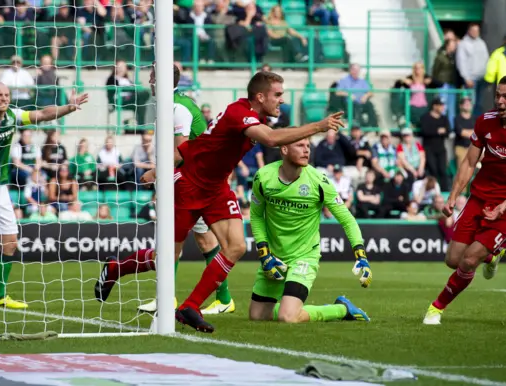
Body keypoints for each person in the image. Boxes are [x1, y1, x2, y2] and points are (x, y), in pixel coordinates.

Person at [95, 71, 344, 333]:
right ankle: (114, 268)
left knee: (235, 246)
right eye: (278, 94)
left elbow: (200, 144)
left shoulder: (252, 116)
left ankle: (190, 307)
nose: (282, 100)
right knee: (165, 257)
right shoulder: (240, 113)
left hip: (215, 188)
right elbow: (270, 139)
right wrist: (318, 126)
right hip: (189, 184)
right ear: (260, 96)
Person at [97, 63, 236, 316]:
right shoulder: (169, 104)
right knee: (203, 241)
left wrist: (156, 172)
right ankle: (222, 298)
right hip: (194, 180)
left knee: (173, 243)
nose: (149, 80)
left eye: (152, 75)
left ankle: (134, 280)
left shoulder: (177, 107)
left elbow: (183, 150)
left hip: (187, 180)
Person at [0, 82, 88, 312]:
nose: (4, 98)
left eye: (6, 94)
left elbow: (42, 114)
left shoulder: (13, 115)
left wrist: (68, 107)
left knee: (10, 241)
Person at [423, 75, 506, 325]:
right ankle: (492, 256)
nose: (500, 101)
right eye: (497, 95)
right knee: (453, 260)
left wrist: (503, 206)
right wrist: (453, 196)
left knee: (469, 260)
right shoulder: (484, 121)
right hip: (478, 199)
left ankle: (436, 308)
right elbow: (470, 162)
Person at [248, 138, 371, 324]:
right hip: (274, 256)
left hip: (303, 257)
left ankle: (341, 309)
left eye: (308, 146)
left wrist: (361, 255)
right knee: (257, 316)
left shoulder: (319, 181)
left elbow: (346, 219)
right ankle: (293, 306)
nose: (306, 150)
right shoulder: (263, 177)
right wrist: (264, 253)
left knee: (287, 317)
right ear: (284, 149)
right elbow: (256, 216)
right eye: (300, 145)